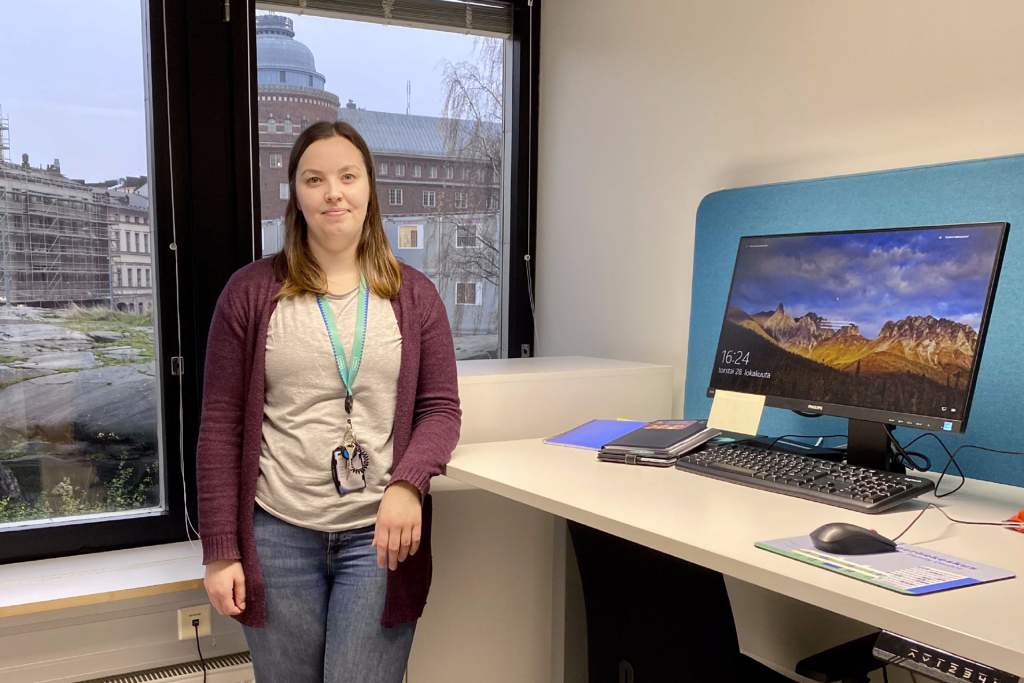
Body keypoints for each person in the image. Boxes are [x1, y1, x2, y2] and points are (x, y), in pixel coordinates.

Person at [196, 120, 461, 683]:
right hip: (277, 534)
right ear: (296, 194)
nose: (333, 193)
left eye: (347, 176)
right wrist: (220, 550)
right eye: (314, 179)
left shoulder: (415, 296)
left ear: (369, 188)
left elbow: (440, 409)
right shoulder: (249, 293)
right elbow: (220, 427)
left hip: (380, 537)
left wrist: (408, 484)